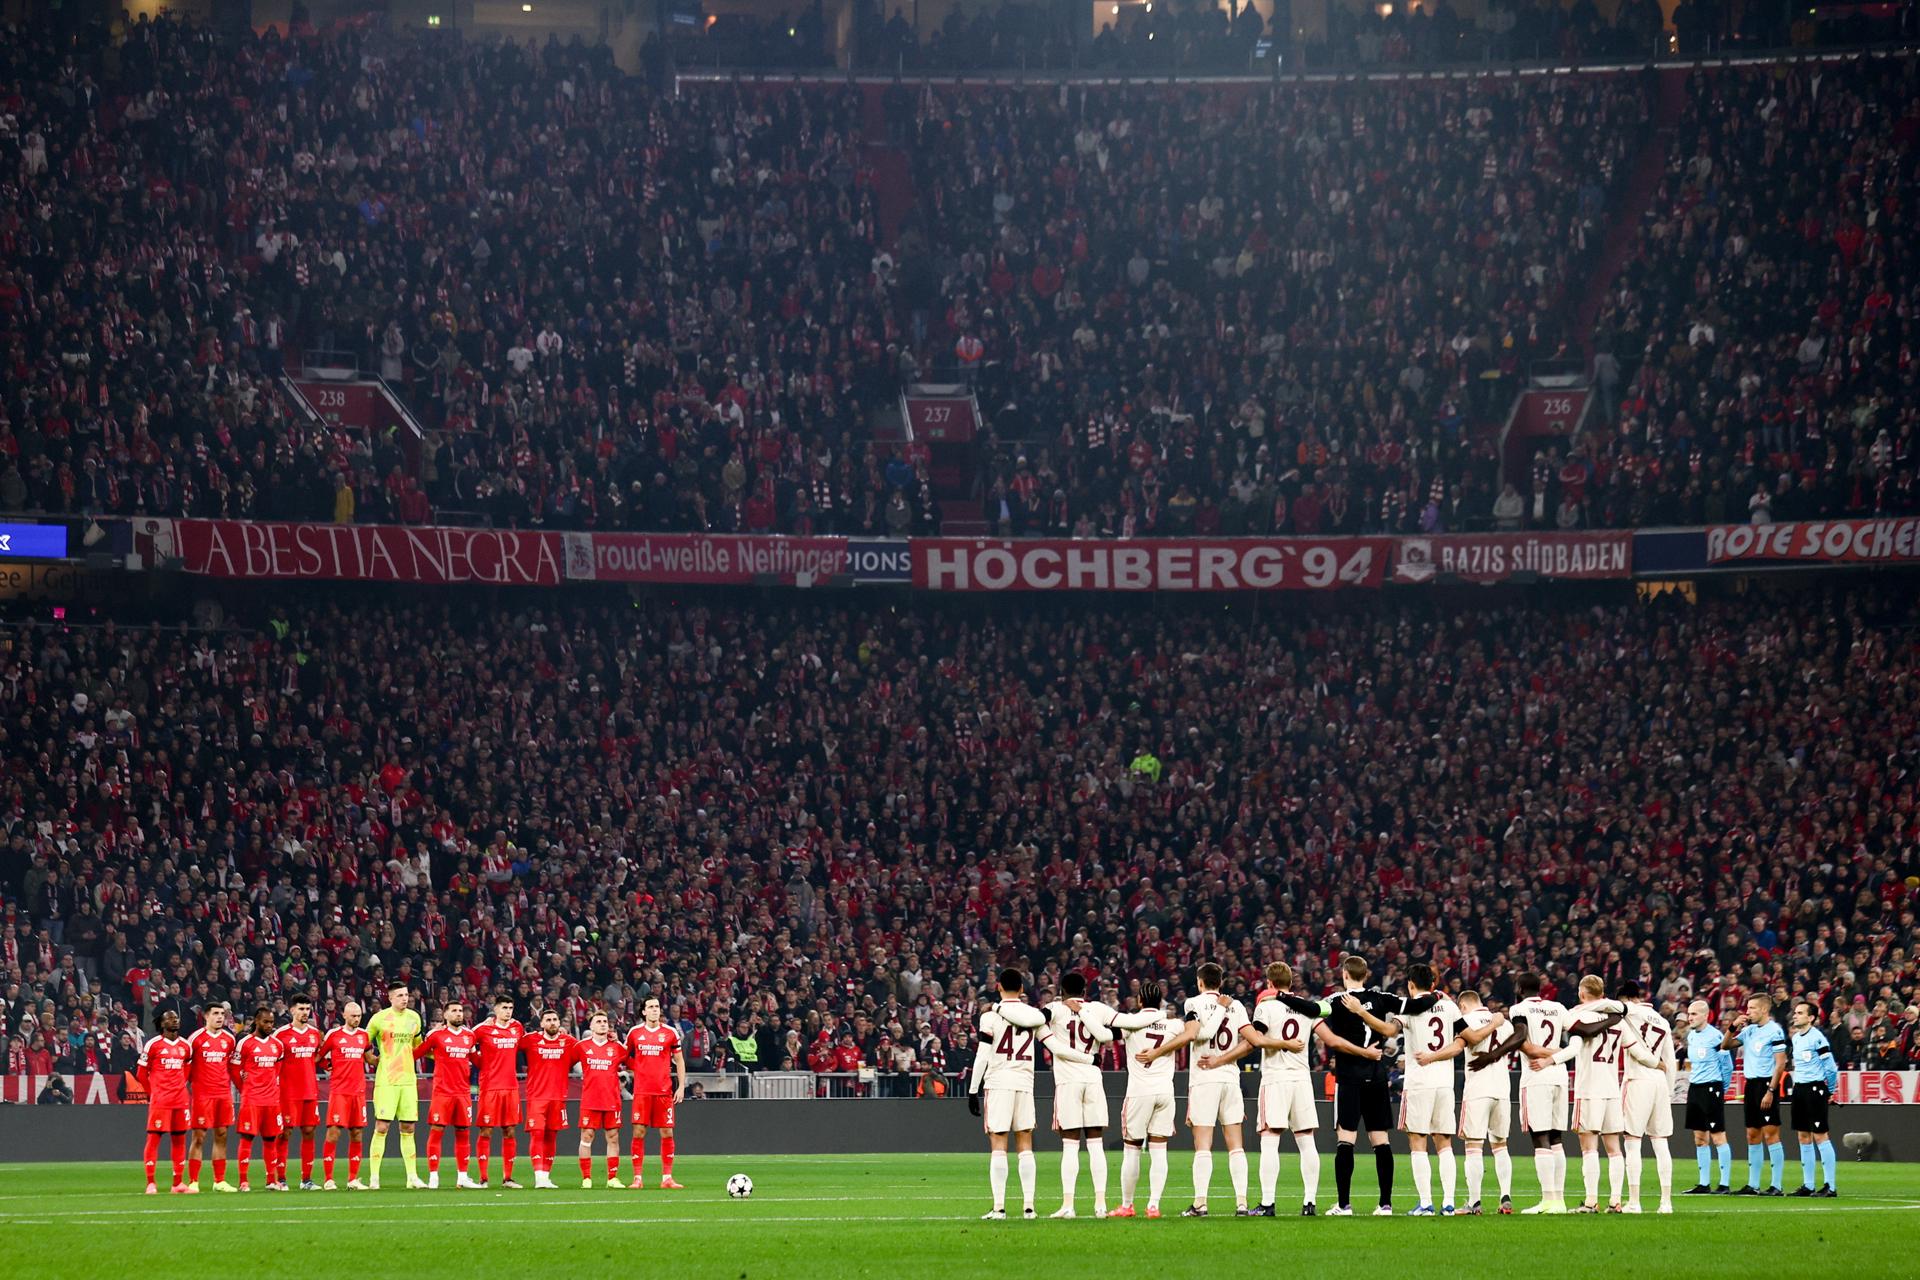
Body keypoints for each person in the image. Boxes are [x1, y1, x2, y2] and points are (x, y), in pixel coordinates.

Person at [1201, 961, 1378, 1216]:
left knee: (1270, 1141)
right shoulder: (1308, 1008)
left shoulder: (1266, 1007)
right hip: (1302, 1081)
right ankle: (1309, 1203)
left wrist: (1220, 1059)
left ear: (1269, 983)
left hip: (1276, 1079)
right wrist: (1364, 1052)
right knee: (1307, 1142)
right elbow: (1332, 1040)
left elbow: (1254, 1041)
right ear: (1291, 983)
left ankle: (1268, 1203)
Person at [1317, 954, 1438, 1215]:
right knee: (1381, 1141)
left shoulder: (1335, 1002)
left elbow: (1311, 1011)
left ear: (1344, 975)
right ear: (1366, 975)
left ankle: (1344, 1204)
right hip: (1378, 1075)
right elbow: (1418, 1005)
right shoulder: (1382, 998)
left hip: (1349, 1077)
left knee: (1346, 1140)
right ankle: (1385, 1204)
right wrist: (1436, 995)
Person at [967, 966, 1089, 1220]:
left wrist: (972, 1089)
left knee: (999, 1145)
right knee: (1025, 1145)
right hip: (1025, 1083)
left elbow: (982, 1056)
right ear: (1022, 989)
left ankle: (999, 1208)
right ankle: (1029, 1207)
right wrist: (1088, 1059)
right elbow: (1056, 1046)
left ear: (998, 986)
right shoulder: (1034, 1015)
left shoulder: (990, 1016)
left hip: (999, 1082)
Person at [1346, 962, 1466, 1215]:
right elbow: (1462, 1040)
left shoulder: (1409, 1009)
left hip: (1419, 1082)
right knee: (1444, 1143)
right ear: (1432, 983)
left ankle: (1425, 1203)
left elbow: (1389, 1030)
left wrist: (1361, 1012)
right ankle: (1449, 1203)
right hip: (1445, 1083)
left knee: (1418, 1141)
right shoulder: (1449, 1006)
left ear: (1411, 985)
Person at [1134, 962, 1249, 1216]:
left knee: (1203, 1145)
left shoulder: (1192, 1004)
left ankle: (1200, 1203)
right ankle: (1241, 1203)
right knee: (1236, 1145)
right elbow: (1250, 1040)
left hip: (1205, 1079)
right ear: (1221, 982)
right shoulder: (1238, 1006)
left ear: (1199, 982)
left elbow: (1199, 1035)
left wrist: (1156, 1052)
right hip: (1231, 1078)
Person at [1475, 972, 1570, 1212]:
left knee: (1541, 1138)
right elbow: (1575, 1035)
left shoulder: (1519, 1009)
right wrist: (1556, 1054)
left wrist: (1494, 1054)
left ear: (1519, 988)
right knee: (1557, 1139)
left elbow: (1521, 1039)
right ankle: (1558, 1200)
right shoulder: (1558, 1007)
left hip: (1537, 1076)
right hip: (1559, 1074)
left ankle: (1548, 1199)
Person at [1534, 975, 1626, 1212]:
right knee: (1614, 1149)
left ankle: (1591, 1201)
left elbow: (1575, 1047)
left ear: (1583, 993)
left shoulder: (1578, 1015)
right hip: (1612, 1089)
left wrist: (1550, 1060)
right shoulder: (1617, 1020)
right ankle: (1615, 1201)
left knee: (1589, 1147)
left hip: (1589, 1088)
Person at [1104, 982, 1182, 1218]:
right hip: (1165, 1092)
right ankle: (1154, 1206)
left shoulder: (1130, 1024)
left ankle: (1127, 1205)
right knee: (1159, 1151)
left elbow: (1105, 1033)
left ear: (1139, 1002)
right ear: (1161, 1002)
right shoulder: (1174, 1025)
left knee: (1132, 1151)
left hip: (1140, 1092)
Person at [1431, 990, 1512, 1214]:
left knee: (1473, 1147)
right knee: (1500, 1145)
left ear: (1463, 1006)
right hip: (1503, 1089)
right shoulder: (1502, 1022)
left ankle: (1474, 1202)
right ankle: (1506, 1197)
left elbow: (1457, 1047)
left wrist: (1430, 1057)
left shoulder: (1466, 1021)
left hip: (1478, 1090)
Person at [1041, 973, 1114, 1218]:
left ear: (1061, 989)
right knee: (1096, 1145)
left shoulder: (1054, 1008)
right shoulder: (1096, 1009)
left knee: (1070, 1146)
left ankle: (1069, 1205)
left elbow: (1036, 1019)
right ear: (1084, 990)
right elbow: (1117, 1027)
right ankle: (1101, 1205)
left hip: (1068, 1081)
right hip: (1093, 1079)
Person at [1619, 979, 1677, 1214]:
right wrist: (1669, 1090)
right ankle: (1666, 1202)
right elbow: (1670, 1060)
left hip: (1637, 1079)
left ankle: (1634, 1201)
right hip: (1660, 1083)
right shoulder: (1663, 1021)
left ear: (1626, 998)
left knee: (1632, 1142)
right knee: (1661, 1143)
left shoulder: (1628, 1011)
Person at [1724, 994, 1788, 1196]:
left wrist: (1770, 1091)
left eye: (1752, 1008)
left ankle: (1776, 1185)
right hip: (1751, 1085)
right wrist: (1733, 1026)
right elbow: (1725, 1046)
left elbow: (1780, 1064)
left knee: (1770, 1134)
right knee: (1752, 1135)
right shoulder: (1749, 1030)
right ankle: (1753, 1184)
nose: (1748, 1011)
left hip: (1766, 1085)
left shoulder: (1775, 1031)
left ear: (1763, 1010)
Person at [365, 984, 426, 1190]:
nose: (405, 998)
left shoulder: (414, 1018)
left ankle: (412, 1178)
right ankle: (374, 1177)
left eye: (407, 994)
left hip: (408, 1080)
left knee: (408, 1127)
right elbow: (363, 1042)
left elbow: (418, 1046)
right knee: (382, 1126)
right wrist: (371, 1059)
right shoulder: (379, 1018)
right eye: (400, 995)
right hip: (387, 1080)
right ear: (390, 998)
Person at [623, 996, 687, 1189]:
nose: (654, 1010)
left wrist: (681, 1086)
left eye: (657, 1007)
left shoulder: (670, 1033)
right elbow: (624, 1057)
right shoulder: (634, 1033)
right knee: (639, 1132)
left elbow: (679, 1060)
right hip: (642, 1092)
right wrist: (639, 1069)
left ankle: (667, 1178)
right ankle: (637, 1178)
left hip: (663, 1091)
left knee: (667, 1132)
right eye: (650, 1007)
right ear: (643, 1011)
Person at [416, 1000, 480, 1189]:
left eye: (460, 1011)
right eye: (454, 1011)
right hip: (442, 1092)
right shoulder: (436, 1035)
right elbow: (418, 1053)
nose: (459, 1014)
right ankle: (433, 1177)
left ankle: (462, 1177)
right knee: (437, 1131)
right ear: (445, 1015)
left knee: (463, 1132)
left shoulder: (470, 1036)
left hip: (463, 1092)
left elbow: (477, 1060)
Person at [471, 996, 526, 1189]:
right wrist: (480, 1062)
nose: (508, 1011)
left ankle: (508, 1178)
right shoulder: (482, 1029)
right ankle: (483, 1178)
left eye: (511, 1007)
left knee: (509, 1130)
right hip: (490, 1087)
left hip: (511, 1087)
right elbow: (465, 1042)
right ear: (495, 1009)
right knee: (486, 1130)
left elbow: (526, 1043)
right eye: (504, 1007)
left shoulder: (517, 1027)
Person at [1679, 999, 1733, 1194]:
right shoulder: (1691, 1036)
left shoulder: (1716, 1037)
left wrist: (1722, 1089)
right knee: (1700, 1138)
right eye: (1689, 1013)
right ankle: (1704, 1184)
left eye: (1693, 1014)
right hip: (1695, 1088)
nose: (1689, 1017)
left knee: (1718, 1136)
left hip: (1712, 1088)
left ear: (1705, 1015)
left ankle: (1724, 1184)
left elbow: (1727, 1066)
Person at [136, 1010, 192, 1194]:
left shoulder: (186, 1046)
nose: (174, 1021)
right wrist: (154, 1093)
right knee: (154, 1138)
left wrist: (179, 1088)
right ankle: (151, 1183)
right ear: (162, 1023)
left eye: (176, 1018)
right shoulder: (153, 1045)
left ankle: (177, 1183)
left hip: (180, 1100)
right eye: (170, 1018)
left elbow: (187, 1071)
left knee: (179, 1140)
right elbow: (141, 1075)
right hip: (161, 1101)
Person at [519, 1009, 576, 1189]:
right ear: (542, 1024)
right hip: (537, 1096)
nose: (552, 1022)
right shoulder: (530, 1040)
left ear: (559, 1023)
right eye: (548, 1020)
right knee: (537, 1134)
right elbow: (509, 1044)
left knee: (551, 1135)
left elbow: (588, 1051)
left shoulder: (569, 1042)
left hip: (558, 1097)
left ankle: (546, 1176)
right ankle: (538, 1177)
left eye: (555, 1019)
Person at [1786, 1000, 1838, 1198]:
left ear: (1811, 1018)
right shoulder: (1797, 1038)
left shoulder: (1818, 1039)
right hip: (1800, 1089)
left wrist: (1830, 1092)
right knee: (1803, 1136)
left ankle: (1830, 1186)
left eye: (1800, 1013)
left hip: (1815, 1089)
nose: (1795, 1015)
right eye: (1795, 1012)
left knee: (1820, 1135)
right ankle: (1808, 1185)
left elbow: (1831, 1068)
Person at [273, 993, 324, 1191]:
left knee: (309, 1132)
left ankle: (307, 1180)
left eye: (307, 1009)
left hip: (309, 1092)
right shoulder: (281, 1034)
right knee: (285, 1133)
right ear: (292, 1010)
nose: (305, 1013)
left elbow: (319, 1058)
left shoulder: (314, 1034)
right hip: (288, 1093)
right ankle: (282, 1179)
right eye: (301, 1009)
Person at [234, 1006, 287, 1192]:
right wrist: (245, 1088)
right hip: (252, 1100)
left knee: (271, 1140)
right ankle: (243, 1182)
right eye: (265, 1022)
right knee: (247, 1138)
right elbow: (234, 1069)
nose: (269, 1025)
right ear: (256, 1021)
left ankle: (271, 1180)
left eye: (272, 1022)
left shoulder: (277, 1045)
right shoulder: (245, 1043)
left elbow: (277, 1070)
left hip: (272, 1100)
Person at [319, 1001, 371, 1189]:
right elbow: (318, 1057)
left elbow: (369, 1058)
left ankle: (352, 1179)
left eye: (359, 1015)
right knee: (334, 1133)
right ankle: (328, 1179)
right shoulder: (334, 1035)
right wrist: (330, 1068)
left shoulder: (364, 1036)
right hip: (339, 1092)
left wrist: (387, 1058)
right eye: (354, 1015)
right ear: (344, 1015)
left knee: (357, 1134)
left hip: (358, 1092)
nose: (357, 1019)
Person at [186, 1004, 238, 1192]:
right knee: (199, 1137)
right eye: (215, 1014)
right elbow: (187, 1067)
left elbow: (231, 1066)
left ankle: (219, 1181)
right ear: (206, 1016)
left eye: (222, 1014)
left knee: (222, 1135)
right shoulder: (196, 1039)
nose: (219, 1017)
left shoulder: (229, 1040)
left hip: (223, 1094)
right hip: (203, 1094)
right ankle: (193, 1181)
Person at [573, 1011, 627, 1188]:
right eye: (599, 1021)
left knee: (613, 1137)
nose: (603, 1024)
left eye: (605, 1021)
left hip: (611, 1099)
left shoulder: (616, 1047)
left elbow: (631, 1058)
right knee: (586, 1136)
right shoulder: (581, 1046)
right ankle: (586, 1178)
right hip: (590, 1099)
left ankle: (612, 1178)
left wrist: (618, 1040)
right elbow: (565, 1062)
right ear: (591, 1026)